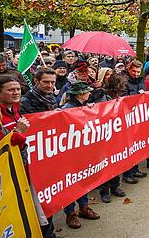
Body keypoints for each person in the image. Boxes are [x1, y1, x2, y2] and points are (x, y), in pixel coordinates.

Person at [60, 82, 101, 229]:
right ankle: (70, 213)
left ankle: (83, 207)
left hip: (82, 151)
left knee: (83, 180)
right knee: (72, 183)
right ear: (80, 94)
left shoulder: (83, 105)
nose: (90, 94)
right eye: (87, 92)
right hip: (71, 154)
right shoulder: (66, 109)